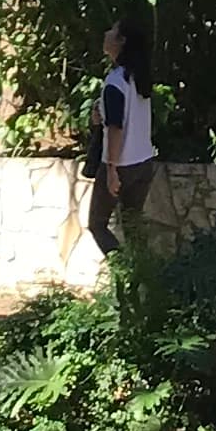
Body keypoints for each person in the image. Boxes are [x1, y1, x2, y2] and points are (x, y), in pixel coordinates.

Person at [84, 15, 157, 258]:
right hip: (144, 161)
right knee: (133, 227)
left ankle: (123, 272)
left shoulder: (116, 81)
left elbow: (116, 127)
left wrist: (112, 169)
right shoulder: (139, 79)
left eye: (112, 31)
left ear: (121, 41)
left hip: (120, 163)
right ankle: (143, 279)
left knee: (97, 224)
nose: (106, 34)